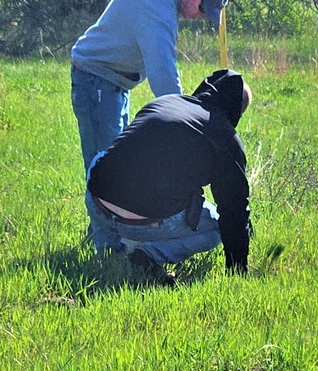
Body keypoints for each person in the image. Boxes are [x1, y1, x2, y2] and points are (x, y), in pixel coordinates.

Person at [85, 69, 252, 278]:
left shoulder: (165, 102)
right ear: (236, 111)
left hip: (96, 203)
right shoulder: (225, 138)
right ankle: (147, 255)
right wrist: (238, 271)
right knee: (216, 227)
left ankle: (106, 248)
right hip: (145, 222)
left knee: (101, 158)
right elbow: (233, 211)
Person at [71, 0, 231, 172]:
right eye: (203, 9)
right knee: (104, 174)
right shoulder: (157, 7)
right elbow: (163, 75)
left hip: (114, 81)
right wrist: (187, 125)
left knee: (118, 165)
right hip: (97, 80)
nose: (201, 17)